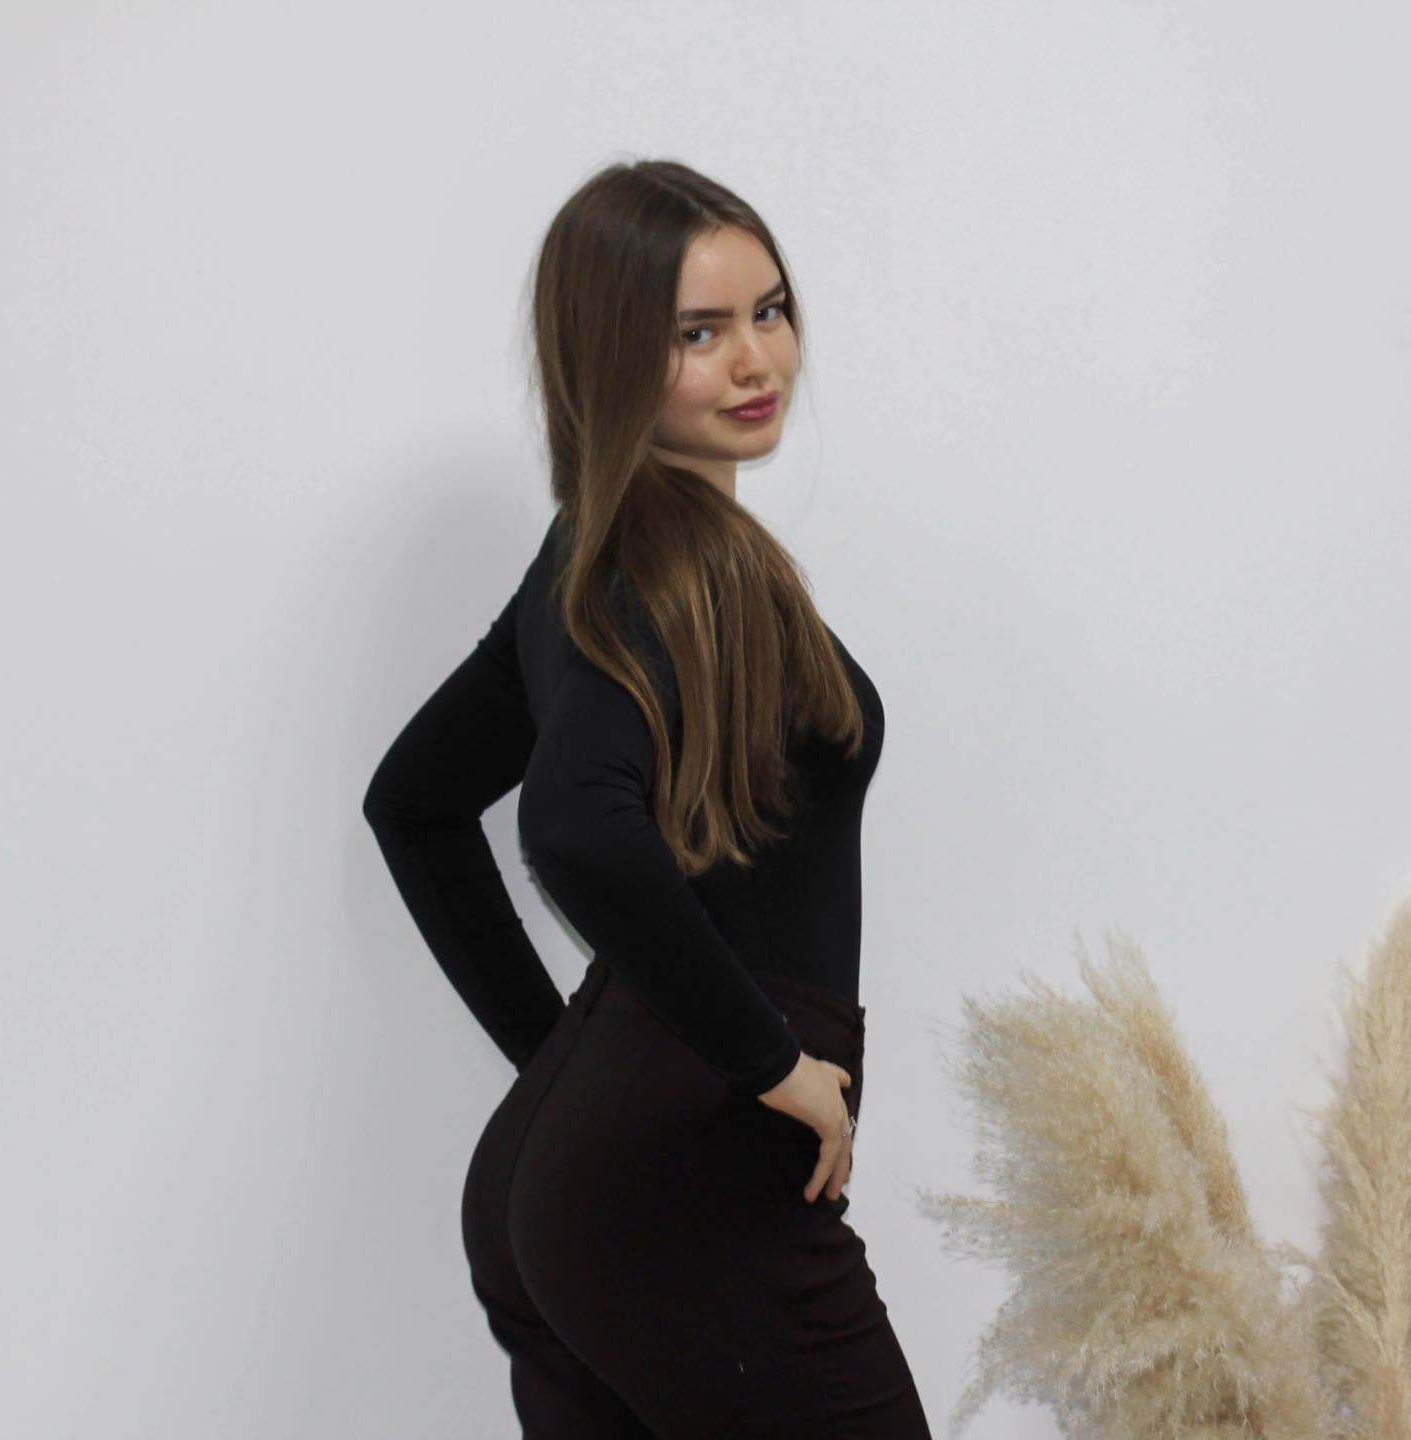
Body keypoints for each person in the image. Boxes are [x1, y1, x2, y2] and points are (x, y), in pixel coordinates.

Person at [361, 158, 933, 1439]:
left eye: (768, 312)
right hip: (694, 1195)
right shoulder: (685, 571)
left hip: (572, 1187)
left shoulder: (589, 558)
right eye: (697, 333)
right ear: (609, 355)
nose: (755, 361)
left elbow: (415, 803)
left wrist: (567, 1072)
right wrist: (772, 1063)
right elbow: (573, 824)